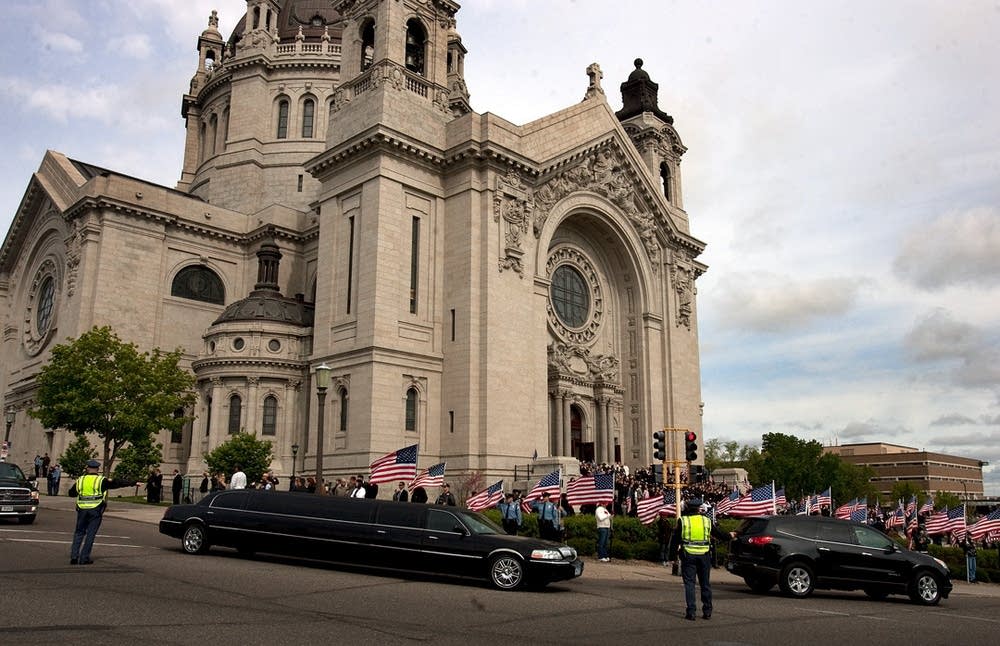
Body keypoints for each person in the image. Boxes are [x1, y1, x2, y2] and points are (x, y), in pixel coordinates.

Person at [668, 498, 735, 621]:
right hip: (704, 556)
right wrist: (730, 535)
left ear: (687, 508)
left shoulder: (683, 521)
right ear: (699, 509)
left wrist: (672, 557)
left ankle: (691, 612)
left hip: (688, 555)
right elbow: (719, 534)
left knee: (690, 584)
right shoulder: (706, 520)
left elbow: (675, 540)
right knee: (705, 584)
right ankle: (707, 611)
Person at [68, 459, 140, 565]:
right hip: (95, 510)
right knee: (90, 534)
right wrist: (133, 483)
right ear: (98, 469)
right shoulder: (101, 480)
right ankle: (84, 558)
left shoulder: (80, 480)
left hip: (82, 510)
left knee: (79, 532)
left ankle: (74, 557)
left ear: (87, 468)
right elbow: (116, 483)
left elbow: (71, 493)